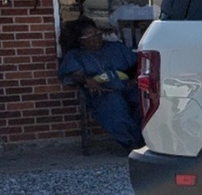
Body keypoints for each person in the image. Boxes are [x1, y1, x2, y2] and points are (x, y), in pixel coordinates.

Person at [58, 17, 143, 149]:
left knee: (144, 101)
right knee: (115, 107)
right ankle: (131, 143)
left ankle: (143, 141)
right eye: (92, 36)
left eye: (98, 34)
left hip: (127, 85)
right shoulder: (76, 55)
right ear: (81, 41)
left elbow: (136, 64)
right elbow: (75, 74)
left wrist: (134, 77)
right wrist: (87, 80)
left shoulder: (115, 47)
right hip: (102, 90)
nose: (98, 38)